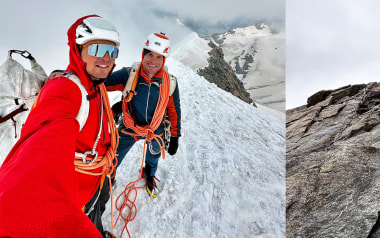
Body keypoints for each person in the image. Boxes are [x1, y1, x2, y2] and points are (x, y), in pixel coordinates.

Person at [0, 15, 119, 238]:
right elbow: (42, 151)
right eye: (97, 49)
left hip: (98, 178)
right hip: (77, 196)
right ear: (78, 50)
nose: (105, 58)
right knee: (90, 215)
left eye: (111, 51)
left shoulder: (95, 84)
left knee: (100, 207)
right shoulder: (65, 91)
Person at [105, 32, 181, 198]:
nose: (153, 61)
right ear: (143, 54)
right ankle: (108, 179)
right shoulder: (129, 75)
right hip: (129, 126)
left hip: (156, 130)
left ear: (164, 60)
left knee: (153, 154)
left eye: (159, 57)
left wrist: (175, 136)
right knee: (113, 156)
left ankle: (149, 172)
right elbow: (101, 82)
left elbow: (174, 111)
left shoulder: (170, 83)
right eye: (150, 55)